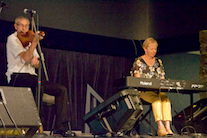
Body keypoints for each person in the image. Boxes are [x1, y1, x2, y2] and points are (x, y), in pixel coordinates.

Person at [6, 16, 71, 137]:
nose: (24, 29)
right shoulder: (12, 39)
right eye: (21, 25)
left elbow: (37, 63)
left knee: (61, 89)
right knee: (37, 85)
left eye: (26, 26)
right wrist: (35, 42)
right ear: (16, 26)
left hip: (32, 77)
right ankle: (36, 124)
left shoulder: (29, 40)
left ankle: (60, 128)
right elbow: (26, 58)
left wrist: (36, 62)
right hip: (17, 76)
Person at [130, 37, 173, 136]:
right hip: (144, 92)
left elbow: (162, 78)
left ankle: (168, 127)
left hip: (157, 91)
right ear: (145, 49)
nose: (154, 51)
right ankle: (160, 127)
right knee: (157, 100)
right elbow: (137, 80)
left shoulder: (159, 62)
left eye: (155, 49)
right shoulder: (139, 61)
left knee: (165, 99)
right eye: (151, 49)